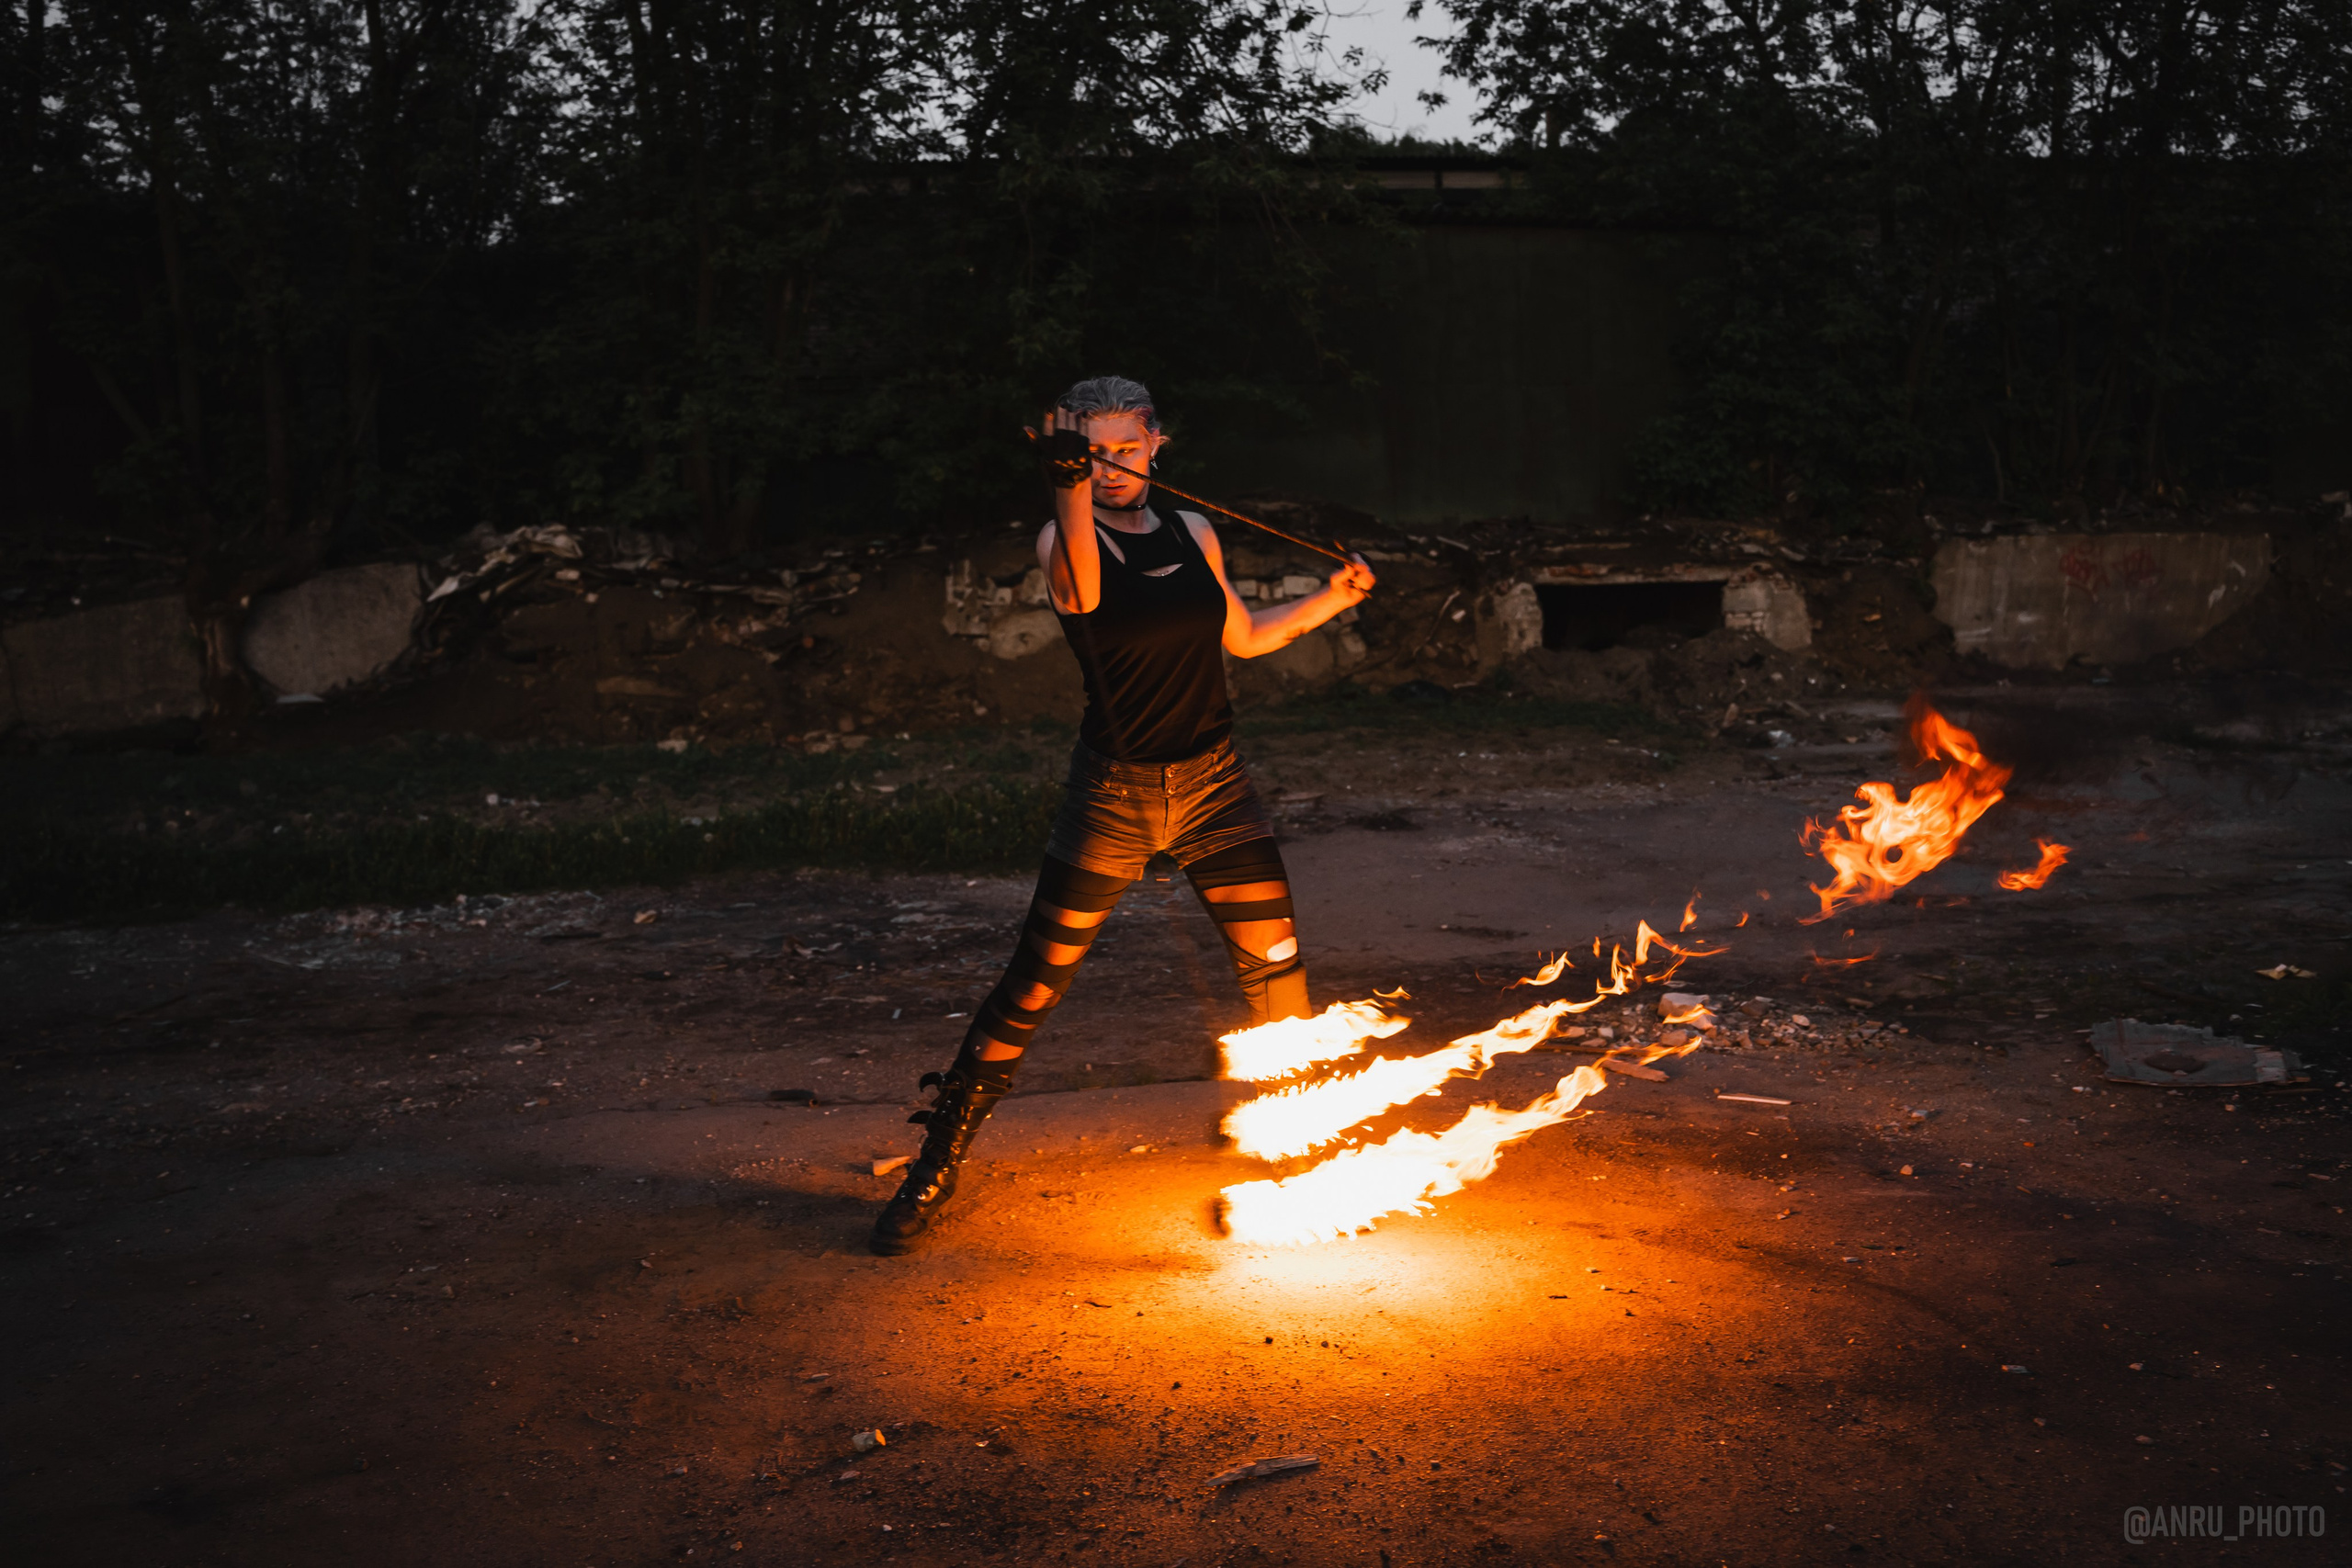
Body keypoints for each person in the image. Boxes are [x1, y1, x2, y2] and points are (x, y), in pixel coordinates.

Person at [871, 375, 1377, 1255]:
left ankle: (1296, 1161)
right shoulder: (1063, 539)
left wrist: (1338, 595)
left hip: (1217, 790)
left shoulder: (1195, 532)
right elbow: (1085, 589)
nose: (1109, 468)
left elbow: (1244, 637)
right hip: (1114, 799)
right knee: (1034, 984)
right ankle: (937, 1161)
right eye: (1090, 453)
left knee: (1279, 975)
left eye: (1124, 450)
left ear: (1156, 444)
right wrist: (1063, 483)